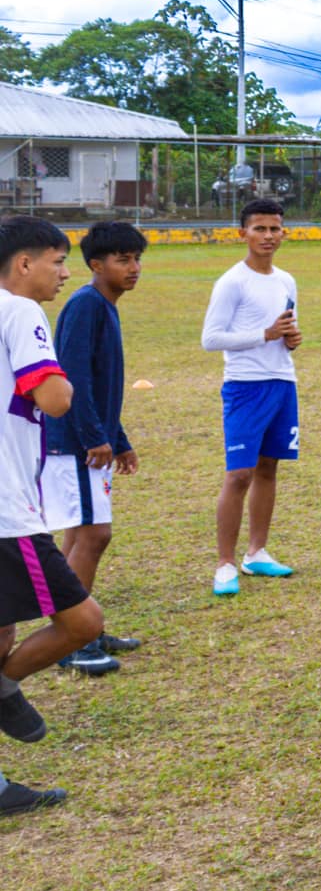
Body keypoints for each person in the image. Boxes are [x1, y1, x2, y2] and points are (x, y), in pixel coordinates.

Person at [0, 216, 108, 817]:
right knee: (82, 622)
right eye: (56, 261)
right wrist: (60, 376)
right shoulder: (19, 312)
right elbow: (55, 398)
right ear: (23, 264)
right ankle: (2, 690)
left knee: (2, 632)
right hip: (7, 512)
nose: (65, 273)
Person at [44, 221, 146, 677]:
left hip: (88, 442)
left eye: (137, 259)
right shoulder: (86, 304)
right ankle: (70, 640)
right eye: (123, 259)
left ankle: (82, 628)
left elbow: (102, 387)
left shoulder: (105, 306)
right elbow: (73, 378)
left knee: (78, 535)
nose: (133, 267)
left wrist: (118, 439)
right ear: (95, 265)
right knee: (93, 536)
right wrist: (93, 437)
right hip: (74, 445)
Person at [202, 198, 300, 597]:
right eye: (260, 228)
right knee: (239, 474)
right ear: (242, 233)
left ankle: (256, 551)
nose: (268, 236)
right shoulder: (232, 282)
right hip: (245, 386)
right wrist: (265, 334)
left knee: (268, 468)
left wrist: (290, 339)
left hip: (282, 382)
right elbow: (211, 338)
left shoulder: (286, 280)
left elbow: (286, 329)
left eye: (275, 228)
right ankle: (225, 562)